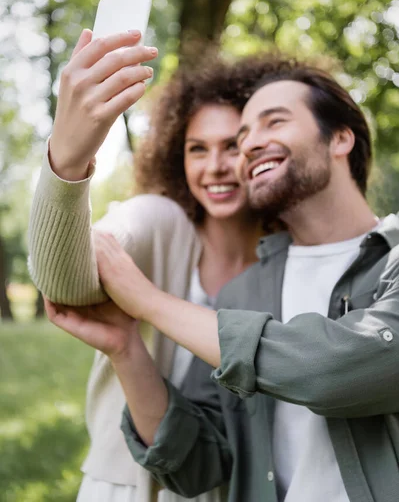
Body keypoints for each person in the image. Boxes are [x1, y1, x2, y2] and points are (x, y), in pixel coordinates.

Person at [47, 58, 399, 502]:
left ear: (341, 137)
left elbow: (334, 372)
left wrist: (149, 302)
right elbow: (200, 464)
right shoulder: (239, 295)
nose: (249, 145)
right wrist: (126, 347)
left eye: (274, 122)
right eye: (244, 136)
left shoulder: (394, 261)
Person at [28, 29, 277, 501]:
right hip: (126, 489)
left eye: (233, 145)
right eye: (197, 149)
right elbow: (64, 279)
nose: (216, 166)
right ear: (176, 157)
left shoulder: (284, 260)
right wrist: (68, 158)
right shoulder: (159, 220)